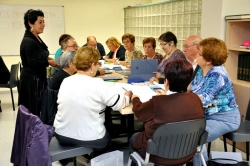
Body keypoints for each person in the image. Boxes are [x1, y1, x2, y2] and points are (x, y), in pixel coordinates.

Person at [53, 46, 133, 164]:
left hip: (61, 134)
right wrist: (127, 96)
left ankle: (86, 157)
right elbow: (117, 105)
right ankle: (98, 161)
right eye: (97, 64)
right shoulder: (97, 84)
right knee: (107, 142)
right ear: (91, 66)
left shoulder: (66, 81)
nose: (98, 67)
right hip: (90, 138)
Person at [129, 59, 204, 166]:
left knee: (133, 138)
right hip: (187, 153)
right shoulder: (196, 99)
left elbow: (139, 113)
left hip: (158, 155)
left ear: (166, 81)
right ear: (188, 81)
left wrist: (135, 98)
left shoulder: (157, 102)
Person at [190, 37, 241, 165]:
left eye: (199, 53)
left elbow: (202, 101)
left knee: (193, 138)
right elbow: (190, 87)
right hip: (206, 116)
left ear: (208, 60)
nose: (197, 54)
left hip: (224, 119)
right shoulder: (201, 69)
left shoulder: (217, 74)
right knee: (187, 132)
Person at [18, 9, 58, 116]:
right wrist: (49, 62)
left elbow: (40, 54)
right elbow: (33, 62)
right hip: (31, 81)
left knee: (39, 109)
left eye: (43, 22)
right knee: (33, 111)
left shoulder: (35, 37)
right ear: (30, 23)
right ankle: (34, 132)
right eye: (40, 22)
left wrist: (49, 59)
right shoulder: (29, 41)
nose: (43, 25)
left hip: (37, 78)